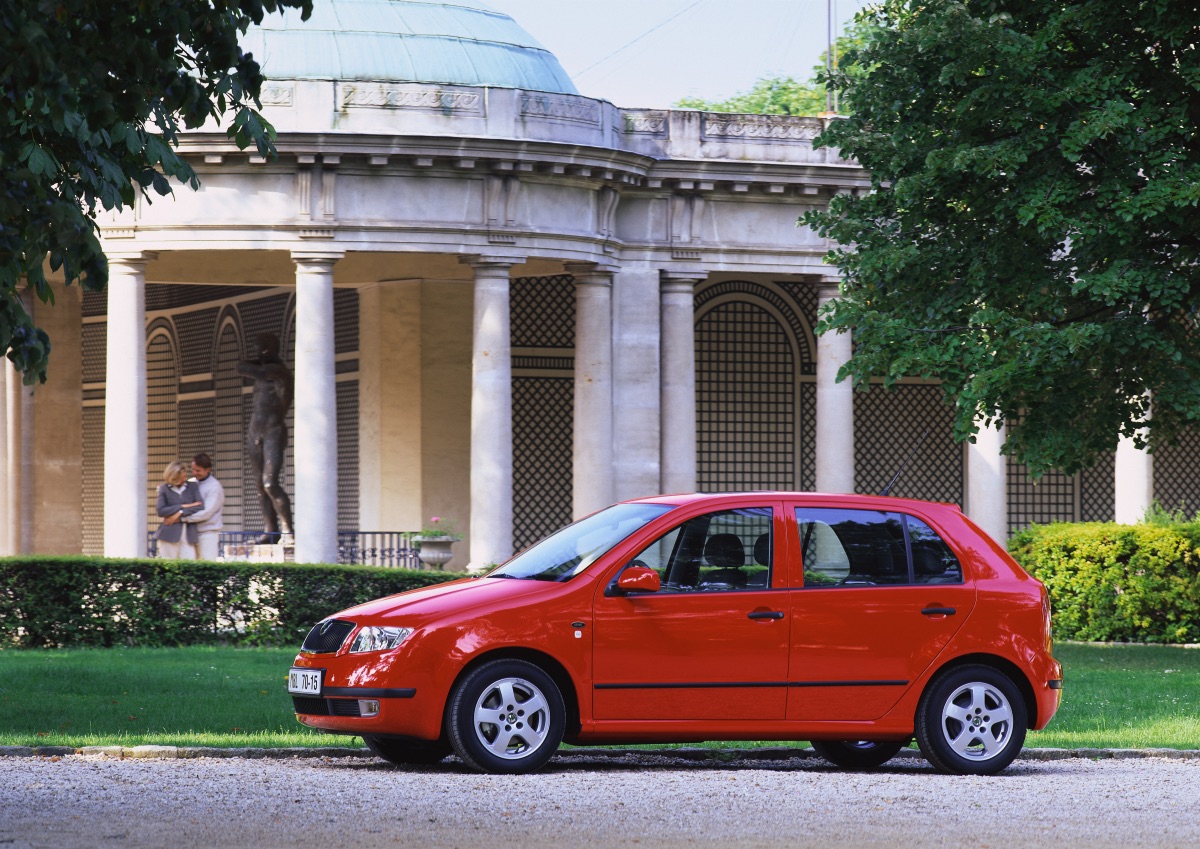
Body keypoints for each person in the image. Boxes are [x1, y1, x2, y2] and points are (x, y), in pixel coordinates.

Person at [237, 332, 294, 543]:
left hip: (273, 431)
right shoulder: (263, 369)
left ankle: (288, 530)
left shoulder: (278, 372)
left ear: (271, 349)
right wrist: (259, 358)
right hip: (255, 431)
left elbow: (246, 368)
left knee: (270, 483)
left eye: (260, 349)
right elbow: (241, 366)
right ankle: (271, 531)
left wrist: (262, 360)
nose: (257, 353)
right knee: (260, 486)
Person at [153, 460, 203, 559]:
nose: (184, 479)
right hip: (168, 534)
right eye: (181, 477)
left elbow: (200, 506)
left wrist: (180, 513)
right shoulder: (164, 489)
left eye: (185, 476)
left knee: (189, 566)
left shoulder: (192, 487)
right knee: (168, 566)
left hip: (189, 535)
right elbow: (161, 511)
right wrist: (182, 506)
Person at [183, 452, 225, 560]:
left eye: (198, 470)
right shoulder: (191, 482)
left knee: (207, 566)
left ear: (208, 469)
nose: (194, 473)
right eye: (193, 469)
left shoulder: (214, 487)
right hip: (190, 532)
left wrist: (183, 518)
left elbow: (206, 513)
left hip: (207, 534)